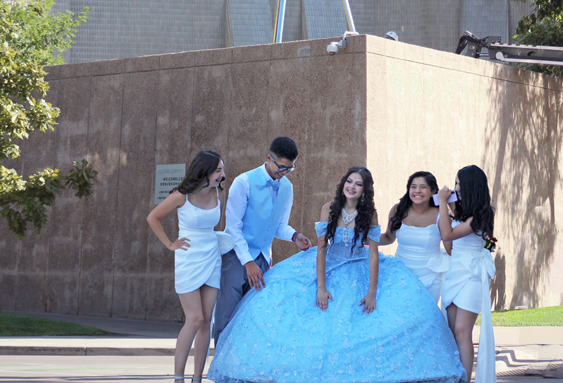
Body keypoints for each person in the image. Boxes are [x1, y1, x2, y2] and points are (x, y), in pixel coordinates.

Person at [209, 166, 464, 383]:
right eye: (349, 181)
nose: (352, 186)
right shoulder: (328, 208)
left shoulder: (370, 214)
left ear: (365, 190)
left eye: (358, 184)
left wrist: (372, 292)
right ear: (344, 183)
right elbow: (321, 249)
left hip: (360, 266)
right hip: (329, 265)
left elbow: (373, 254)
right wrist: (321, 286)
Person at [213, 136, 312, 344]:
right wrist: (248, 262)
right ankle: (220, 361)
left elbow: (279, 226)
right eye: (281, 167)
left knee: (253, 318)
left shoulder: (287, 188)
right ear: (268, 158)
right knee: (226, 316)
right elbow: (233, 227)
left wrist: (294, 236)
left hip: (262, 260)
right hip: (236, 257)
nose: (284, 172)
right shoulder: (244, 182)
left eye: (290, 168)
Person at [147, 150, 233, 383]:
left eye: (222, 170)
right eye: (218, 170)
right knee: (194, 318)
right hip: (188, 259)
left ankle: (197, 379)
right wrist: (170, 244)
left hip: (211, 257)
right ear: (204, 171)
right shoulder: (181, 196)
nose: (222, 175)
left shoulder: (217, 193)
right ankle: (178, 378)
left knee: (206, 320)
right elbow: (152, 217)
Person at [439, 165, 497, 383]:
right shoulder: (462, 213)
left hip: (472, 274)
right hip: (455, 272)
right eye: (455, 184)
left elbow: (448, 234)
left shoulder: (482, 214)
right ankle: (454, 375)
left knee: (463, 331)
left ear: (471, 186)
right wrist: (450, 209)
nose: (456, 188)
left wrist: (443, 203)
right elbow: (449, 246)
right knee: (452, 330)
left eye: (460, 185)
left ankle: (465, 379)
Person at [379, 169, 450, 303]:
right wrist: (362, 238)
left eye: (423, 187)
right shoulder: (398, 210)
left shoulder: (440, 214)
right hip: (401, 275)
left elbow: (450, 248)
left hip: (430, 277)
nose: (417, 191)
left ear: (433, 191)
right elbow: (388, 238)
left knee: (426, 313)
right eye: (413, 187)